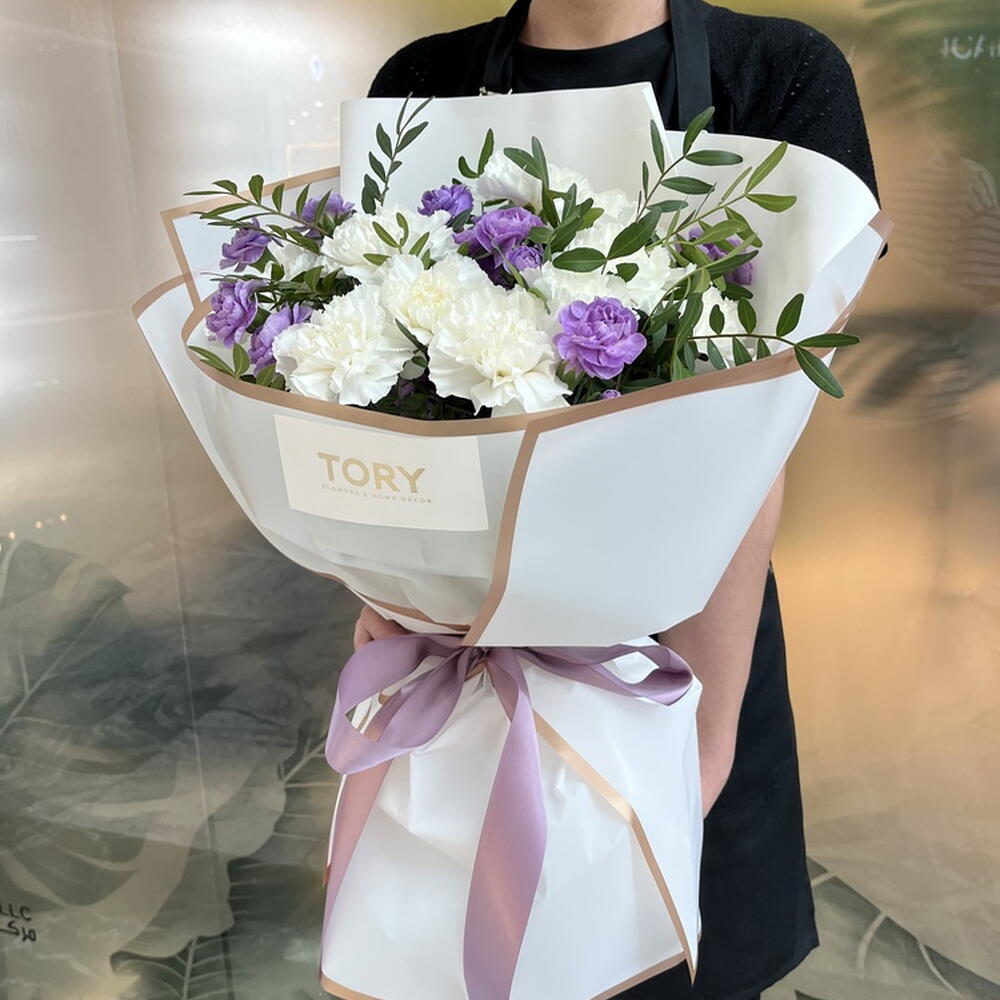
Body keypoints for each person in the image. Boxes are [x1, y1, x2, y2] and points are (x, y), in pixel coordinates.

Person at [355, 1, 880, 997]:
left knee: (674, 954)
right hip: (463, 646)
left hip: (688, 644)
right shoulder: (421, 80)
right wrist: (384, 604)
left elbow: (756, 434)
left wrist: (708, 736)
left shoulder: (779, 73)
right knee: (483, 951)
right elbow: (378, 402)